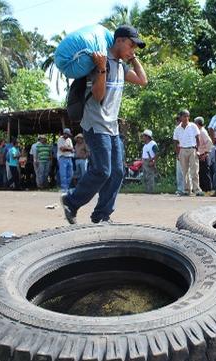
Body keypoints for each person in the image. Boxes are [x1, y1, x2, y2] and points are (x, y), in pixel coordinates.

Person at [61, 25, 147, 224]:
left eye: (135, 46)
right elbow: (99, 97)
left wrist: (132, 57)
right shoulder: (99, 62)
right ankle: (71, 202)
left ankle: (101, 215)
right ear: (119, 40)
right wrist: (100, 68)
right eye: (131, 44)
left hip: (112, 127)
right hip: (95, 124)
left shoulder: (121, 65)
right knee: (102, 170)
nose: (133, 48)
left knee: (117, 172)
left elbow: (143, 80)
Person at [173, 109, 204, 196]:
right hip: (182, 150)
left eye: (187, 116)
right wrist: (178, 153)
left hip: (192, 149)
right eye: (184, 116)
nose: (186, 118)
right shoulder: (177, 129)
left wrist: (197, 150)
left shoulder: (193, 126)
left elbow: (198, 138)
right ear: (181, 117)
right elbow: (175, 141)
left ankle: (197, 189)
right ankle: (187, 190)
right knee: (184, 171)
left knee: (194, 171)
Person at [194, 116, 213, 192]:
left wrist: (206, 153)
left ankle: (207, 190)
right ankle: (202, 189)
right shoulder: (198, 131)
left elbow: (209, 143)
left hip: (203, 155)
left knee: (205, 174)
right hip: (200, 155)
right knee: (201, 173)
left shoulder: (202, 132)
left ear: (198, 124)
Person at [141, 129, 158, 193]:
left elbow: (157, 153)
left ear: (147, 137)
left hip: (149, 161)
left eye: (144, 136)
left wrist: (153, 161)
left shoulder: (153, 144)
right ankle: (147, 190)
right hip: (144, 161)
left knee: (150, 176)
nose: (143, 137)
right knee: (145, 177)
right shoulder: (145, 145)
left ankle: (150, 191)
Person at [57, 128, 74, 193]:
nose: (68, 136)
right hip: (62, 158)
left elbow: (72, 149)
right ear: (64, 134)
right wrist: (69, 148)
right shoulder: (60, 139)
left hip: (69, 158)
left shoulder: (69, 139)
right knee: (63, 174)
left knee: (70, 174)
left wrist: (67, 148)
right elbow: (62, 149)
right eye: (67, 134)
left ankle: (68, 187)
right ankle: (64, 188)